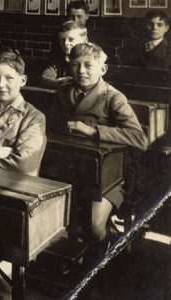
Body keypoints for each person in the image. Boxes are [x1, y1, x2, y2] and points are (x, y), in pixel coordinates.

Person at [48, 43, 147, 258]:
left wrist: (94, 131)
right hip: (69, 168)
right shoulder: (63, 91)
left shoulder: (113, 97)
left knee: (94, 225)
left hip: (107, 177)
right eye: (75, 65)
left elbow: (139, 138)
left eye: (88, 65)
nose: (81, 71)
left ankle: (100, 259)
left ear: (102, 69)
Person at [40, 21, 88, 89]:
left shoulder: (91, 59)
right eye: (62, 40)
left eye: (71, 39)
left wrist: (67, 81)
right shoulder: (57, 60)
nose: (66, 43)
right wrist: (63, 82)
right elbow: (45, 79)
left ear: (85, 41)